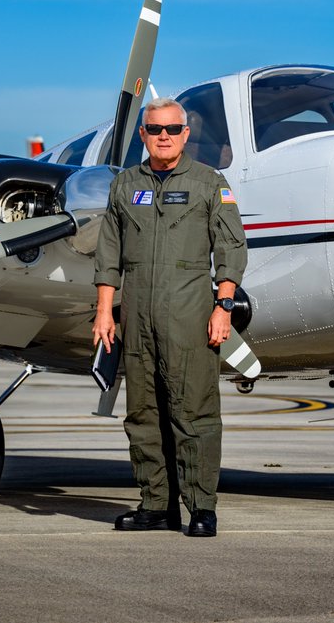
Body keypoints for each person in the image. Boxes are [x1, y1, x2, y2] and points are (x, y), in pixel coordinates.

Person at [92, 97, 247, 537]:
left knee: (193, 411)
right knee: (142, 414)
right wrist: (105, 311)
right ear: (143, 135)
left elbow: (232, 248)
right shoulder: (125, 185)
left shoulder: (208, 184)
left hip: (190, 315)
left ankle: (202, 507)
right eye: (155, 129)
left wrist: (224, 306)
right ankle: (155, 504)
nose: (164, 137)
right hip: (137, 316)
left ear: (185, 134)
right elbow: (108, 253)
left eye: (172, 130)